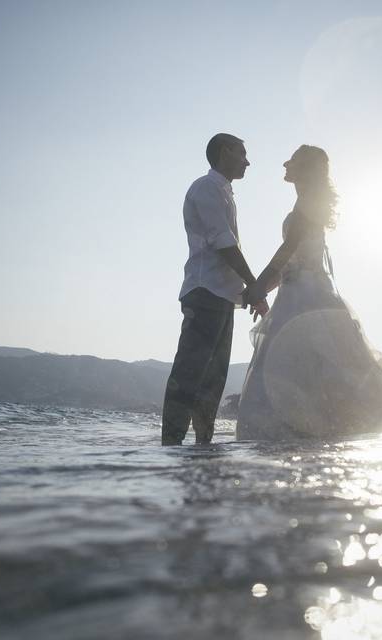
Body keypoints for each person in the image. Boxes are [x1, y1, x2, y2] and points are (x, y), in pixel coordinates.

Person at [236, 145, 382, 440]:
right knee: (302, 366)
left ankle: (306, 432)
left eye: (293, 161)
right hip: (299, 291)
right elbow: (289, 264)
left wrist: (257, 285)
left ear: (304, 168)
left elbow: (288, 251)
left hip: (307, 298)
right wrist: (261, 291)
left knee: (301, 366)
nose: (286, 165)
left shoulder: (307, 204)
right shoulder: (307, 203)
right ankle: (310, 431)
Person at [161, 133, 267, 446]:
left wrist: (247, 289)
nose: (247, 161)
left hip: (223, 297)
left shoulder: (224, 192)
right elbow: (222, 242)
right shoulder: (206, 187)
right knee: (190, 372)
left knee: (214, 379)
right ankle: (171, 446)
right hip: (205, 291)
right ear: (224, 152)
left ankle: (203, 447)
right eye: (242, 154)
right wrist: (254, 284)